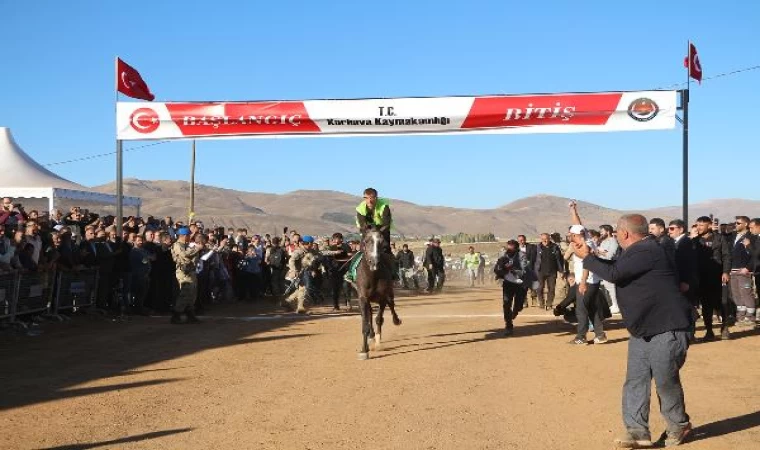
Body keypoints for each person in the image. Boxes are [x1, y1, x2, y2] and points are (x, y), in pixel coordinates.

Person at [572, 214, 693, 448]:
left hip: (668, 326)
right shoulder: (637, 252)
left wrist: (587, 257)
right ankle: (637, 431)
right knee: (636, 379)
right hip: (644, 327)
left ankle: (679, 424)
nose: (615, 235)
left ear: (625, 233)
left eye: (617, 231)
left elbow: (615, 274)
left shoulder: (647, 250)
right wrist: (591, 256)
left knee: (665, 379)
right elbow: (617, 269)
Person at [568, 202, 607, 344]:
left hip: (587, 281)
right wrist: (573, 210)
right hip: (593, 281)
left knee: (581, 309)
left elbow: (587, 266)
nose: (570, 236)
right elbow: (578, 223)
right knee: (591, 308)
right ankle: (600, 335)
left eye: (572, 234)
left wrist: (583, 283)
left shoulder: (585, 246)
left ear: (577, 235)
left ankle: (581, 337)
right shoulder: (587, 238)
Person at [170, 227, 202, 324]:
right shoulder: (177, 245)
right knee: (185, 293)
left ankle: (190, 314)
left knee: (192, 294)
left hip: (191, 271)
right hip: (183, 272)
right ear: (184, 236)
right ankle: (176, 314)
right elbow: (184, 255)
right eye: (188, 235)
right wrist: (196, 249)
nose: (190, 237)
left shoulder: (186, 245)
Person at [494, 240, 525, 336]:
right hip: (508, 283)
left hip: (520, 284)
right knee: (506, 304)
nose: (509, 249)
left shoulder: (522, 256)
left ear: (516, 248)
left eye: (511, 247)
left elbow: (525, 269)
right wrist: (501, 271)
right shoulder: (503, 257)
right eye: (508, 247)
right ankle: (508, 325)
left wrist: (515, 269)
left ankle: (515, 310)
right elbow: (497, 269)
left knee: (519, 304)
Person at [355, 187, 392, 254]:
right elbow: (363, 225)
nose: (369, 201)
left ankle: (393, 263)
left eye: (371, 198)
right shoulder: (360, 209)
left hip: (382, 229)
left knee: (386, 250)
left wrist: (378, 233)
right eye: (366, 198)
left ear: (376, 198)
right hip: (367, 230)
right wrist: (369, 233)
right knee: (362, 250)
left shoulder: (384, 206)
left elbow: (386, 223)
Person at [534, 233, 565, 310]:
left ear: (549, 239)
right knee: (540, 288)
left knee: (551, 288)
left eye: (547, 239)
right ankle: (541, 302)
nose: (545, 240)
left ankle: (549, 303)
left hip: (552, 271)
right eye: (543, 239)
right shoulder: (537, 248)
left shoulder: (555, 247)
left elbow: (560, 259)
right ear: (541, 239)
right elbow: (533, 259)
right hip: (540, 271)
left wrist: (561, 270)